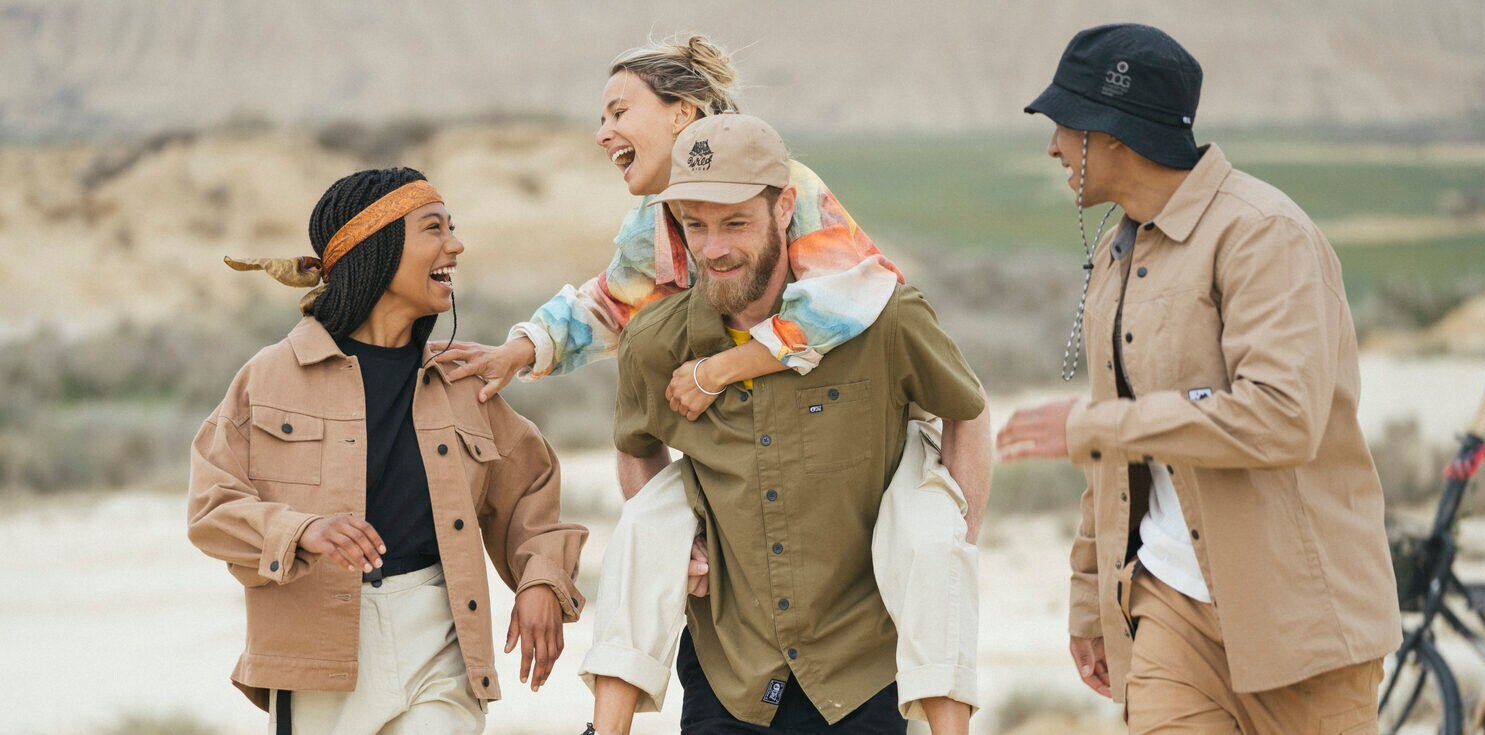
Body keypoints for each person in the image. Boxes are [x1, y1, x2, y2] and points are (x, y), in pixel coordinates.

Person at [428, 37, 986, 728]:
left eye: (618, 110)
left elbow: (850, 297)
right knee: (651, 518)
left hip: (856, 604)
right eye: (697, 226)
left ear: (681, 114)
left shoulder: (795, 188)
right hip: (732, 647)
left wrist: (720, 368)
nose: (602, 131)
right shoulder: (653, 221)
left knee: (929, 538)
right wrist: (524, 347)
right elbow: (608, 303)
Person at [995, 23, 1401, 732]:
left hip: (1302, 625)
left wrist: (1089, 426)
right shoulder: (1120, 253)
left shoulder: (1264, 234)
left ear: (1113, 133)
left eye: (1064, 123)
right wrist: (1091, 599)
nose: (1053, 145)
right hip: (1168, 615)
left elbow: (1280, 415)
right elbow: (1111, 457)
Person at [603, 113, 990, 735]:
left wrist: (951, 543)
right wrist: (685, 551)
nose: (713, 248)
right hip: (728, 673)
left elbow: (967, 411)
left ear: (784, 208)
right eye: (694, 225)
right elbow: (636, 448)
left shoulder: (884, 321)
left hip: (865, 666)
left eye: (735, 223)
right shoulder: (654, 342)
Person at [188, 167, 588, 734]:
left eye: (454, 227)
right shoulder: (269, 377)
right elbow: (211, 510)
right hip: (316, 654)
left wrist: (543, 578)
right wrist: (301, 530)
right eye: (434, 229)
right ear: (376, 249)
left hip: (442, 640)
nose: (456, 244)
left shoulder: (461, 380)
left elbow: (529, 491)